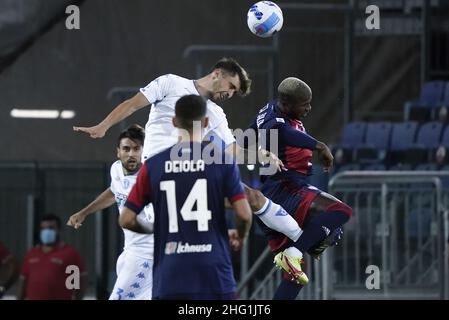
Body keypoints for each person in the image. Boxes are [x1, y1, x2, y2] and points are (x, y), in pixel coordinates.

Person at [73, 57, 304, 250]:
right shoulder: (171, 83)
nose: (230, 94)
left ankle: (302, 239)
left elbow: (232, 150)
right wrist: (103, 125)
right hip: (159, 173)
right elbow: (133, 104)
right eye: (231, 86)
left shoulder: (215, 113)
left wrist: (261, 155)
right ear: (217, 74)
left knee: (251, 197)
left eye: (235, 92)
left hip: (190, 171)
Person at [119, 95, 253, 299]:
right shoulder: (223, 161)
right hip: (214, 271)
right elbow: (244, 215)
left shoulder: (154, 165)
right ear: (206, 122)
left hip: (171, 274)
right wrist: (241, 236)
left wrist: (154, 229)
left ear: (174, 122)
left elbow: (126, 219)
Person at [246, 77, 352, 299]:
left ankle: (296, 253)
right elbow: (282, 132)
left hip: (283, 192)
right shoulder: (274, 120)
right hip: (285, 192)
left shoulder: (272, 112)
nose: (309, 108)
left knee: (296, 275)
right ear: (286, 103)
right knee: (341, 212)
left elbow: (245, 140)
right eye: (304, 104)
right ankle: (294, 252)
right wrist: (319, 145)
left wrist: (254, 152)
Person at [67, 124, 154, 300]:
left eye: (137, 149)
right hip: (129, 249)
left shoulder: (150, 177)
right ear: (118, 152)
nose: (131, 154)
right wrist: (84, 212)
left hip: (147, 253)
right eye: (126, 148)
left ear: (144, 151)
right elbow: (114, 192)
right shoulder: (116, 169)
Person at [17, 214, 87, 300]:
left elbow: (79, 281)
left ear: (58, 230)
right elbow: (23, 280)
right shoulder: (32, 253)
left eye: (51, 228)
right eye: (43, 229)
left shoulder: (70, 254)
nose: (47, 231)